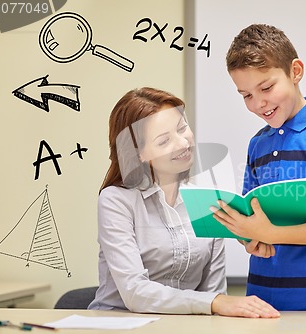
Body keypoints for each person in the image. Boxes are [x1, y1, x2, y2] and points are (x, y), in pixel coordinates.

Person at [88, 87, 279, 318]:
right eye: (164, 140)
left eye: (182, 128)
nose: (182, 143)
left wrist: (218, 303)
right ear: (138, 153)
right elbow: (135, 293)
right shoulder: (116, 200)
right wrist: (216, 302)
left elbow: (214, 293)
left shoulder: (208, 203)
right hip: (118, 325)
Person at [211, 24, 306, 311]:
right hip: (261, 301)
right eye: (246, 95)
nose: (259, 103)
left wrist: (270, 233)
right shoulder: (258, 143)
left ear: (295, 72)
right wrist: (251, 239)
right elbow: (253, 218)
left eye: (266, 87)